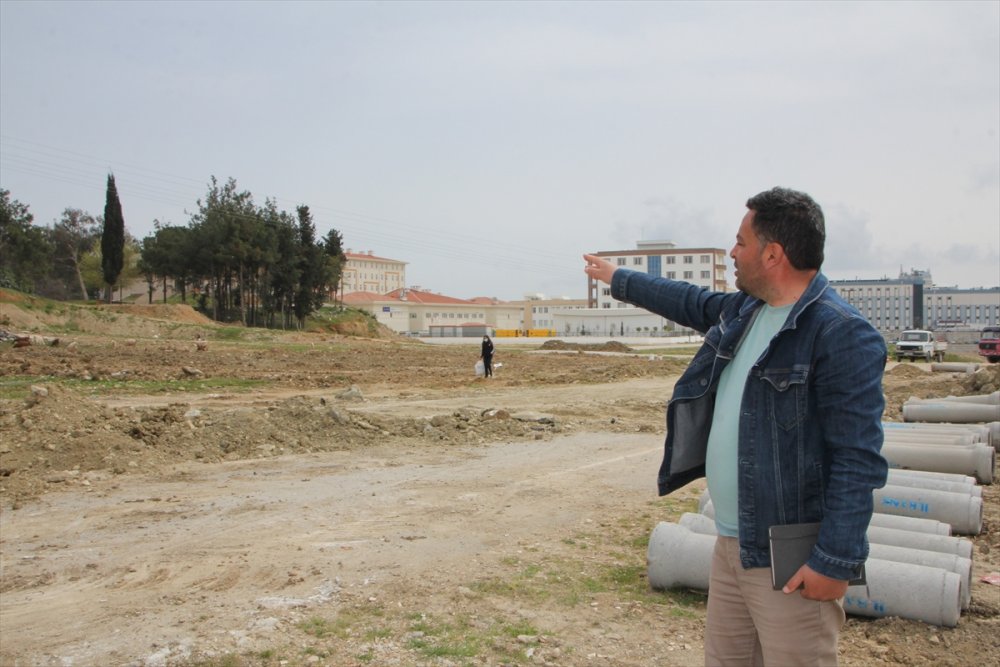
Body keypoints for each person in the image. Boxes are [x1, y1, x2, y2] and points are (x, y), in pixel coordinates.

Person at [584, 187, 887, 666]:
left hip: (788, 557)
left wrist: (834, 561)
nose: (732, 252)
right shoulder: (746, 311)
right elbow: (689, 300)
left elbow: (857, 458)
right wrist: (618, 278)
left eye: (741, 242)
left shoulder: (839, 332)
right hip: (731, 543)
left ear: (773, 254)